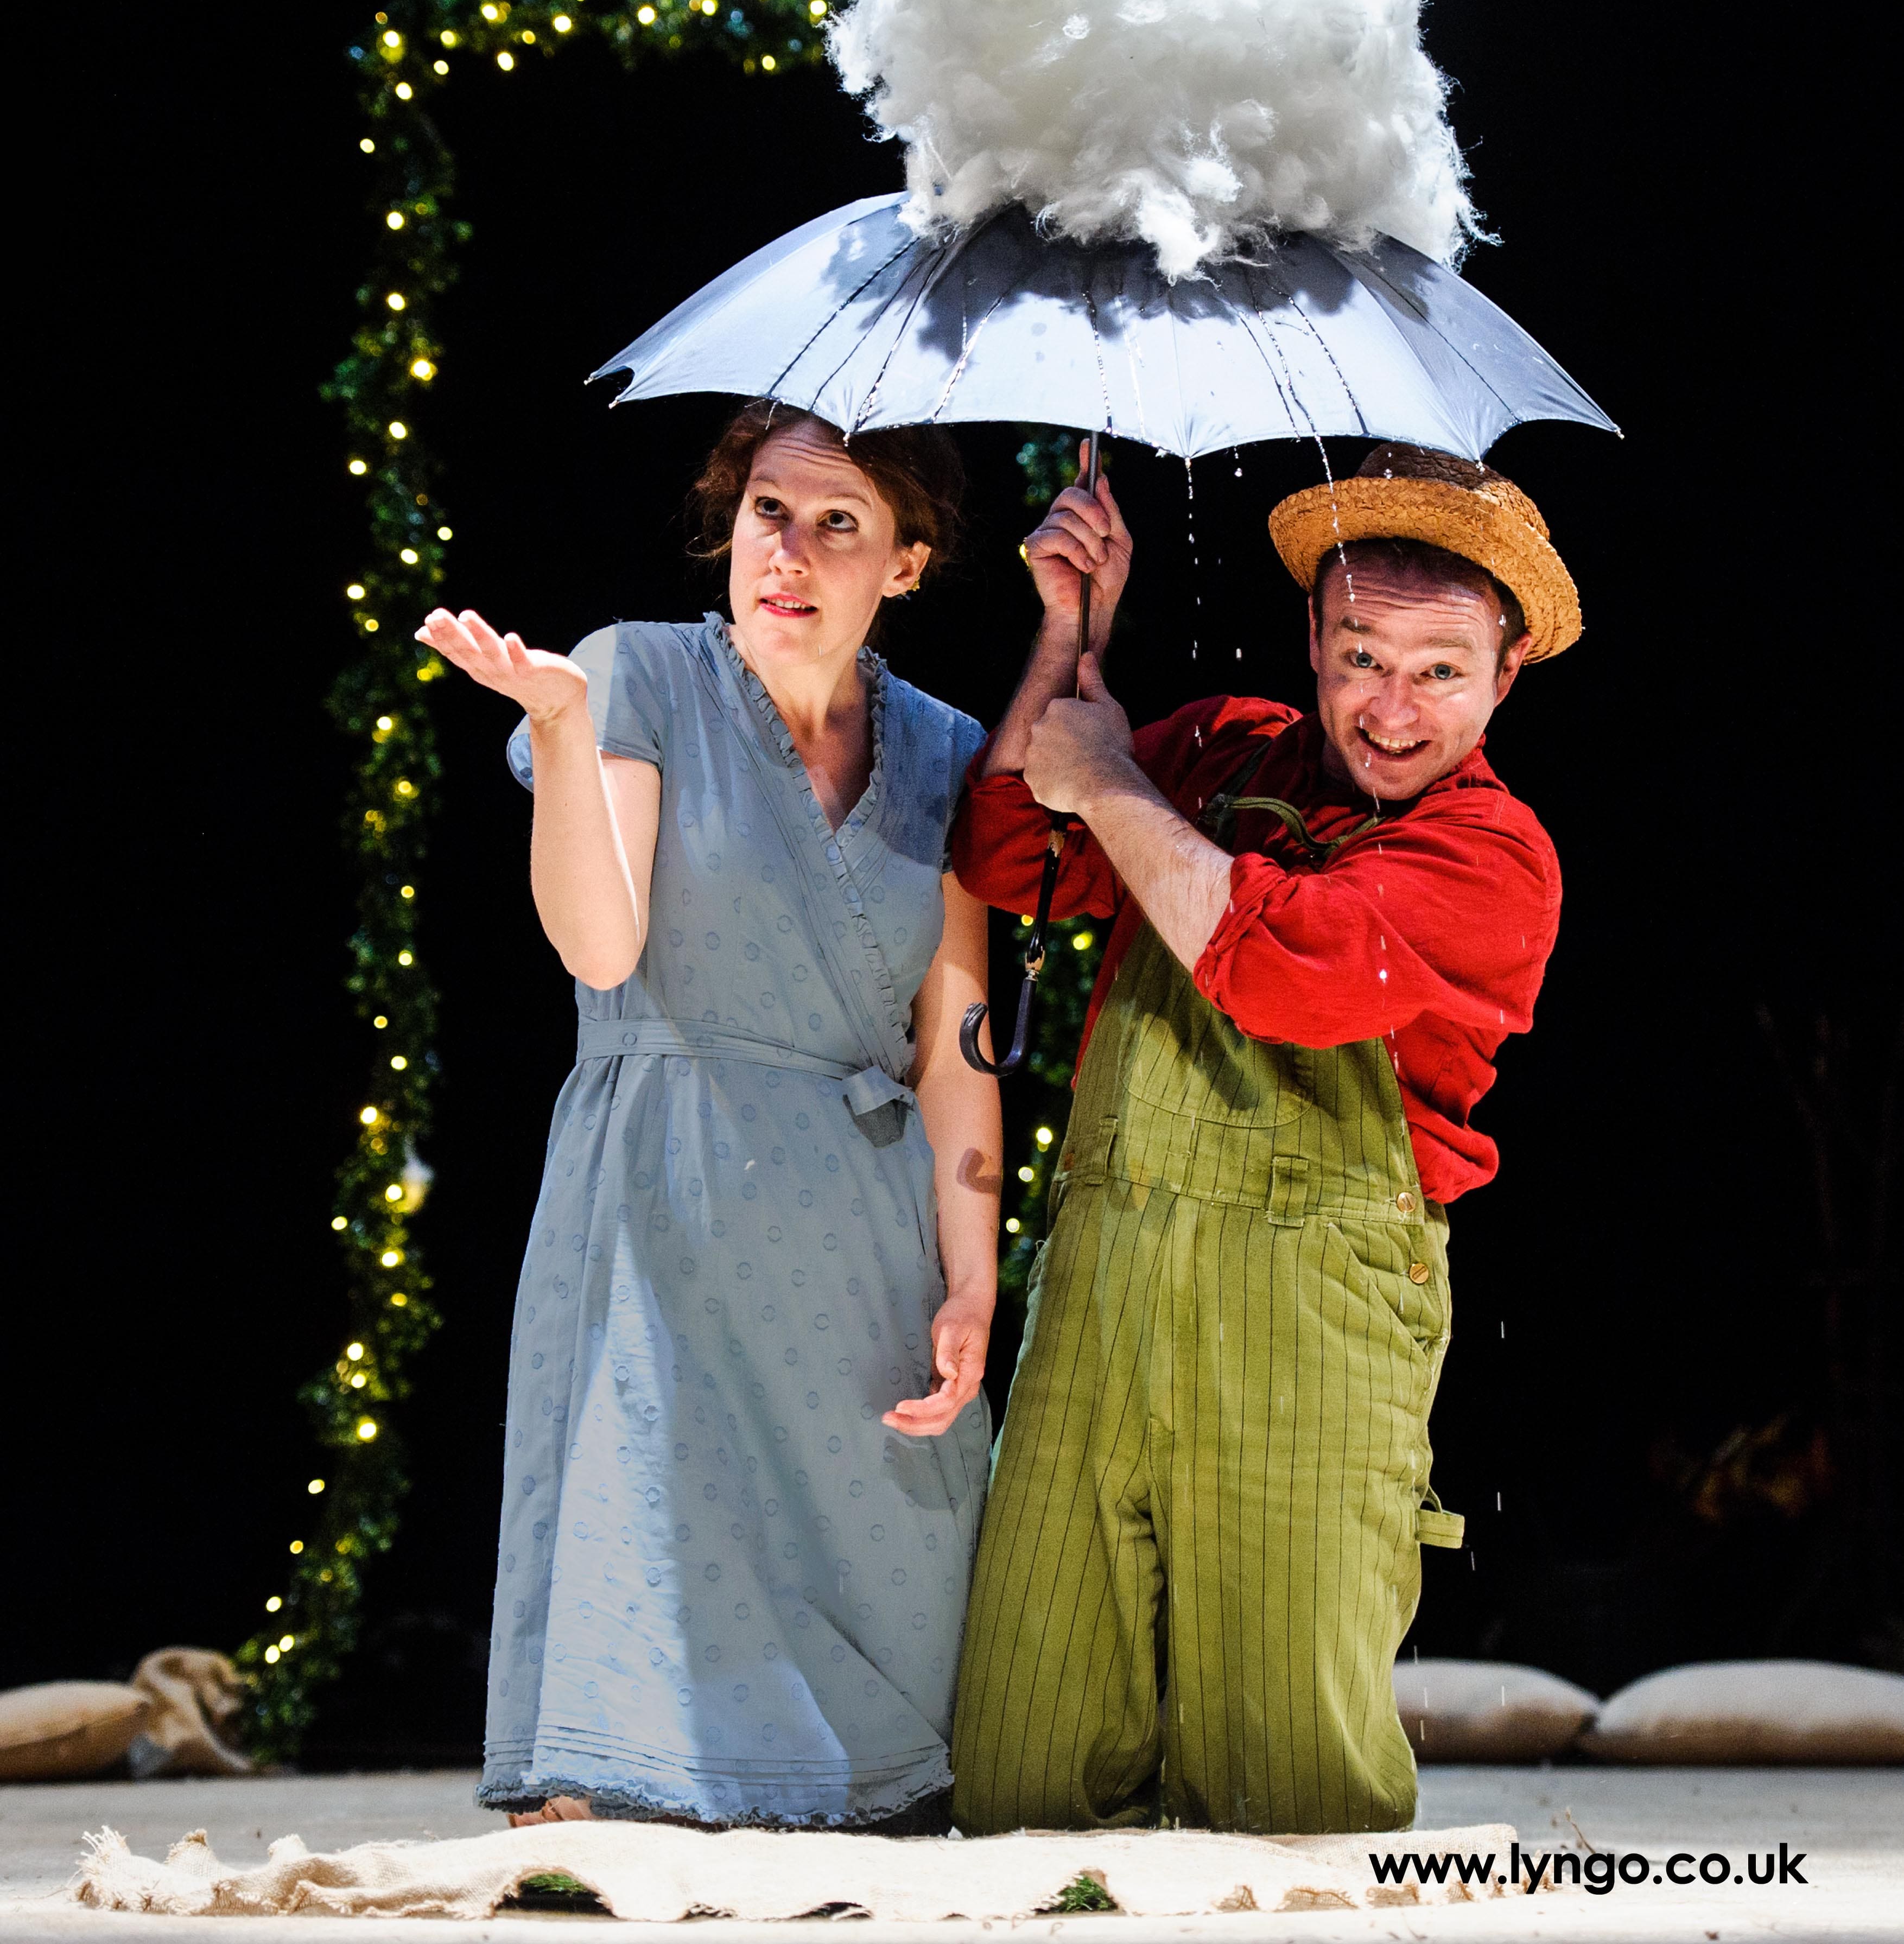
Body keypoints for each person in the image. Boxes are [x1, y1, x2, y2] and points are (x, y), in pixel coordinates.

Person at [949, 441, 1574, 1838]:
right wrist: (1067, 632)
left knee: (1285, 1792)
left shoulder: (1494, 858)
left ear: (1506, 672)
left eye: (1438, 670)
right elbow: (1005, 850)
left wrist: (1114, 790)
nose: (1390, 708)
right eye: (1360, 656)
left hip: (1316, 1309)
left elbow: (1280, 967)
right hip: (1103, 1283)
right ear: (1312, 635)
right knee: (1019, 1771)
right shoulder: (1222, 749)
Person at [417, 402, 999, 1832]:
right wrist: (560, 730)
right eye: (765, 513)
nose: (786, 552)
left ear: (905, 564)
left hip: (858, 1237)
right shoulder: (635, 675)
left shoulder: (946, 752)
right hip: (665, 1201)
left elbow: (955, 1048)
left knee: (900, 1742)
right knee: (643, 1647)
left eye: (837, 523)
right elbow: (599, 945)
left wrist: (973, 1275)